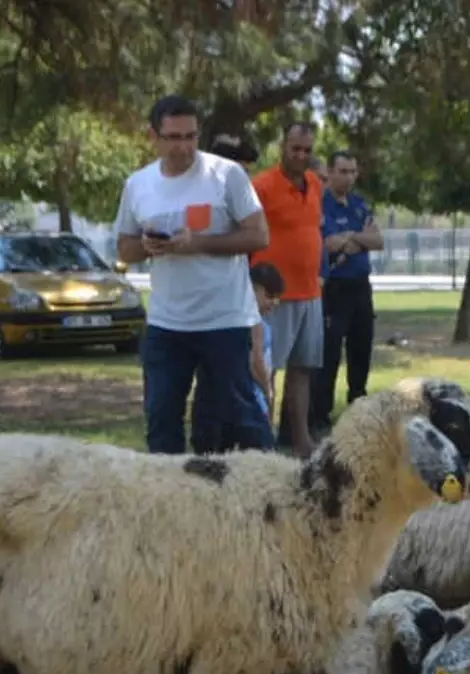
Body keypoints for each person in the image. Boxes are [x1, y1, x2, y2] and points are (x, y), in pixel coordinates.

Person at [114, 94, 274, 455]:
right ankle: (168, 504)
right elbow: (124, 248)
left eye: (190, 136)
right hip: (167, 325)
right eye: (173, 137)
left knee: (237, 421)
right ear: (152, 136)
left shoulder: (226, 175)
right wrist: (147, 246)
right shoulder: (138, 184)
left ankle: (266, 495)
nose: (184, 147)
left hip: (224, 320)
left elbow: (259, 235)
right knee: (161, 422)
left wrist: (198, 242)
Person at [249, 121, 325, 457]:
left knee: (302, 370)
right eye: (295, 148)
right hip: (274, 298)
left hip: (310, 293)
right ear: (283, 146)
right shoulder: (262, 186)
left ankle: (301, 440)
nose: (301, 155)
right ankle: (264, 437)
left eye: (307, 150)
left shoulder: (315, 184)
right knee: (267, 371)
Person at [310, 150, 384, 432]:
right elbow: (327, 243)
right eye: (343, 171)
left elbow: (377, 240)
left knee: (361, 347)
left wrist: (351, 238)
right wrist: (356, 239)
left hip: (360, 286)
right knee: (329, 352)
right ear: (330, 172)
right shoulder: (321, 203)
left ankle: (358, 406)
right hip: (334, 287)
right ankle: (320, 413)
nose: (349, 177)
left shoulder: (359, 204)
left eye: (353, 171)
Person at [249, 262, 284, 422]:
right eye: (269, 296)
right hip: (252, 399)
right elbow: (255, 361)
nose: (274, 302)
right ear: (253, 289)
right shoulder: (254, 324)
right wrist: (267, 390)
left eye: (277, 297)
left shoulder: (263, 323)